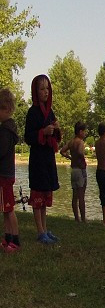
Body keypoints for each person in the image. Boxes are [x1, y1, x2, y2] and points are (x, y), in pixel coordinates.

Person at [25, 74, 61, 245]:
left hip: (48, 157)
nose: (45, 92)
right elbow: (28, 137)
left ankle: (45, 230)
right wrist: (43, 132)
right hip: (38, 159)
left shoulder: (50, 111)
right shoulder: (32, 112)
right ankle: (40, 231)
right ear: (35, 91)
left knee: (46, 195)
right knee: (38, 195)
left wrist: (56, 130)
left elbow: (55, 137)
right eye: (42, 88)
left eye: (47, 88)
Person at [0, 89, 21, 252]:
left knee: (9, 208)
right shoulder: (8, 129)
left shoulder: (5, 131)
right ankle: (8, 237)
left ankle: (15, 239)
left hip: (4, 174)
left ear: (6, 109)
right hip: (7, 174)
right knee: (5, 208)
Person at [60, 121, 89, 222]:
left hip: (73, 170)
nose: (85, 134)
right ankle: (83, 219)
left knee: (74, 195)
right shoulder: (80, 142)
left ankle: (77, 218)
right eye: (84, 131)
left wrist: (70, 157)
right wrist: (82, 158)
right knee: (81, 196)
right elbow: (81, 152)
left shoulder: (71, 142)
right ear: (80, 131)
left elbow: (62, 151)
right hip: (80, 170)